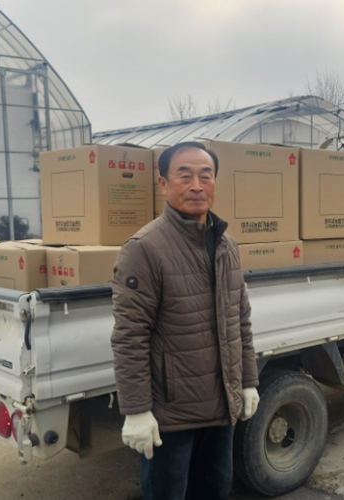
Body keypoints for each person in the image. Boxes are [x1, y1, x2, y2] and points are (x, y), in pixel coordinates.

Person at [110, 142, 260, 500]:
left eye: (206, 176)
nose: (196, 185)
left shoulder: (226, 245)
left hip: (221, 404)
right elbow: (130, 336)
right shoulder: (144, 248)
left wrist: (248, 381)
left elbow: (240, 319)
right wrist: (137, 410)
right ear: (163, 184)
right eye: (185, 176)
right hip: (171, 415)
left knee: (215, 490)